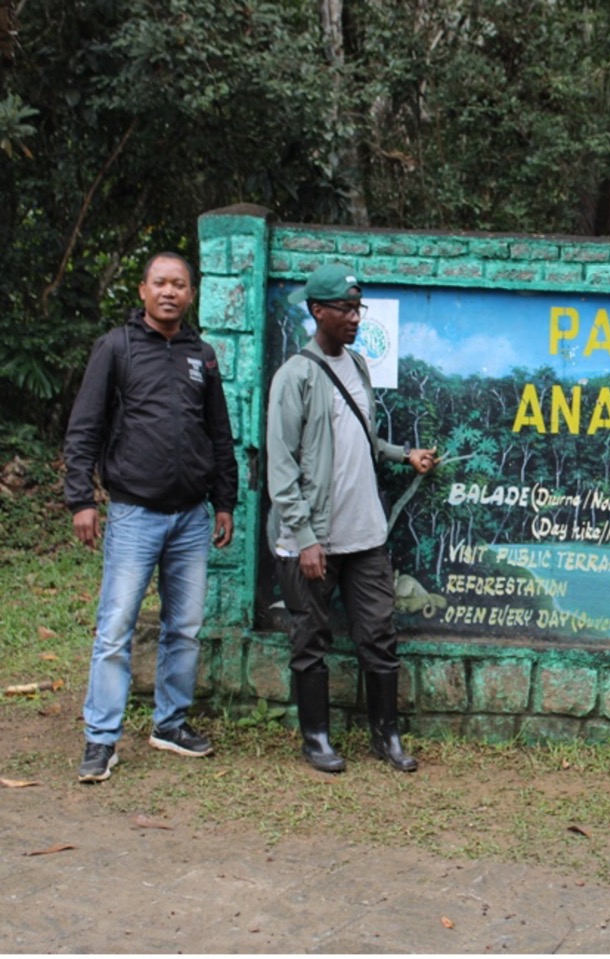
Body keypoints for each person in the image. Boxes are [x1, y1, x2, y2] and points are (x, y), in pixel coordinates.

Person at [64, 252, 238, 783]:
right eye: (160, 283)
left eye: (179, 285)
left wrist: (225, 501)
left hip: (190, 517)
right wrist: (82, 500)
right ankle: (101, 739)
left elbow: (219, 434)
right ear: (142, 290)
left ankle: (170, 723)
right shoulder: (115, 348)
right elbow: (85, 426)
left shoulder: (201, 356)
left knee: (182, 628)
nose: (169, 292)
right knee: (115, 628)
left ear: (191, 294)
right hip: (135, 513)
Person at [266, 262, 436, 774]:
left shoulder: (358, 367)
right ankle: (316, 737)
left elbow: (360, 436)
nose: (354, 318)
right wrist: (306, 538)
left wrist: (402, 454)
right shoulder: (294, 376)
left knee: (379, 634)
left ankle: (387, 735)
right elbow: (281, 464)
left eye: (357, 308)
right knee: (310, 638)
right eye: (344, 309)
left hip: (365, 534)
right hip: (314, 539)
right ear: (317, 311)